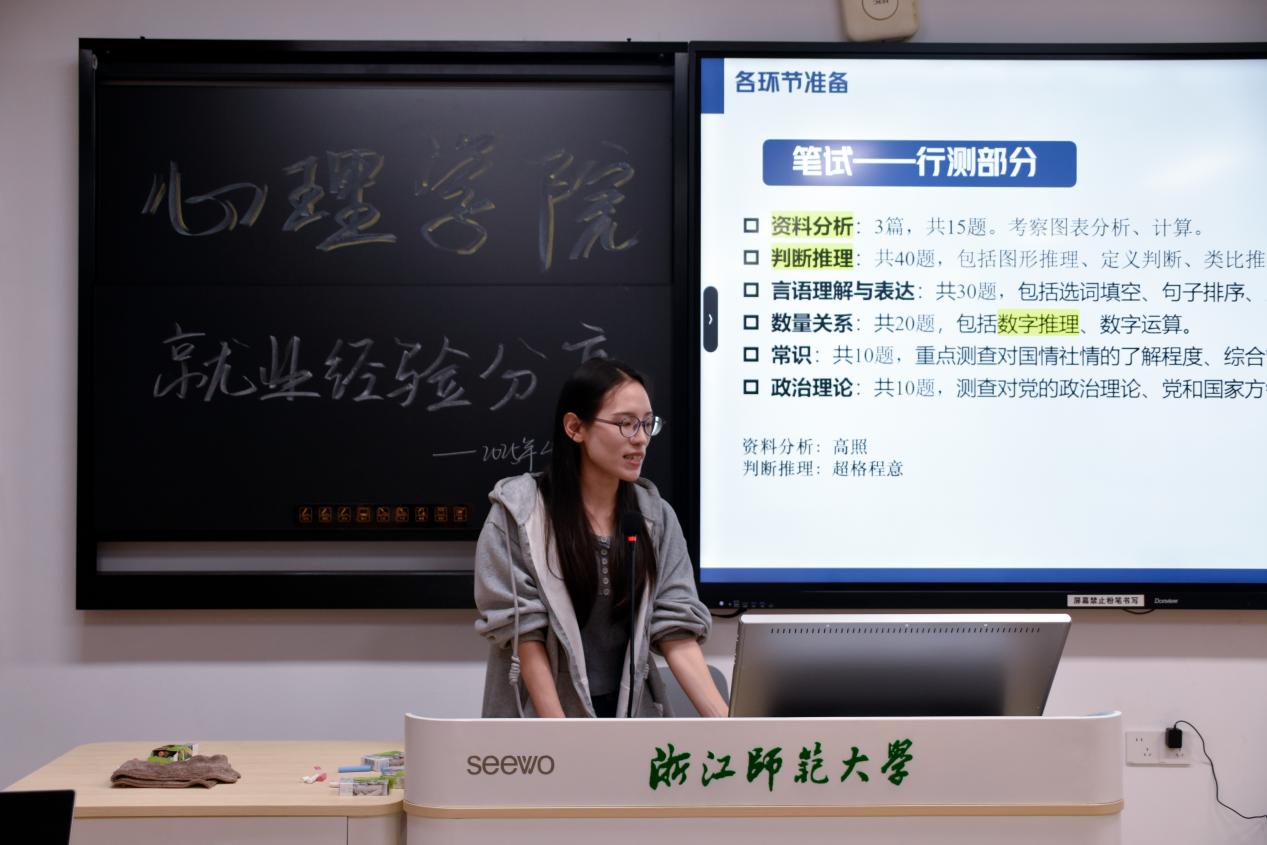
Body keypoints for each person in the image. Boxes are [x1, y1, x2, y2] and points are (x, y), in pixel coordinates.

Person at [474, 358, 728, 718]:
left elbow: (676, 629)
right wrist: (563, 736)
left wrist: (732, 728)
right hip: (542, 725)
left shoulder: (655, 517)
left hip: (630, 718)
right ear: (575, 427)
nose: (640, 438)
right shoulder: (517, 514)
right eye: (625, 423)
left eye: (647, 423)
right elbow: (526, 638)